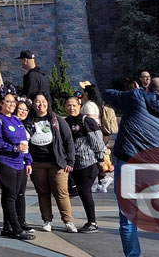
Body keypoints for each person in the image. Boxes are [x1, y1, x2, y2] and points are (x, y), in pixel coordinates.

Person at [105, 77, 159, 257]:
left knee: (127, 220)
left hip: (128, 165)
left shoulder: (137, 97)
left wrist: (131, 91)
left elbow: (109, 95)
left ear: (147, 86)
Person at [24, 93, 75, 233]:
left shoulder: (56, 120)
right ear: (33, 104)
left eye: (43, 101)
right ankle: (47, 220)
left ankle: (68, 221)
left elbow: (68, 140)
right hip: (37, 163)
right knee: (43, 193)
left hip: (57, 163)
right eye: (37, 102)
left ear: (48, 102)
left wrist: (70, 161)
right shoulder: (28, 120)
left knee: (61, 192)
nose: (41, 104)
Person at [0, 88, 34, 240]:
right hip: (5, 162)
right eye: (8, 101)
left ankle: (7, 227)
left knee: (15, 195)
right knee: (10, 195)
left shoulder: (16, 120)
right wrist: (13, 148)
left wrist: (27, 159)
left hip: (19, 163)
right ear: (1, 103)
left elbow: (24, 142)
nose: (11, 104)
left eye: (13, 102)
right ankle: (16, 229)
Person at [64, 96, 104, 233]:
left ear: (79, 106)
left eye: (74, 105)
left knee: (85, 191)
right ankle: (89, 221)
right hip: (74, 164)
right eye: (68, 105)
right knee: (81, 192)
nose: (71, 108)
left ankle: (93, 222)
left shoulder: (87, 121)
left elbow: (97, 141)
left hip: (89, 163)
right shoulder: (64, 122)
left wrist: (100, 159)